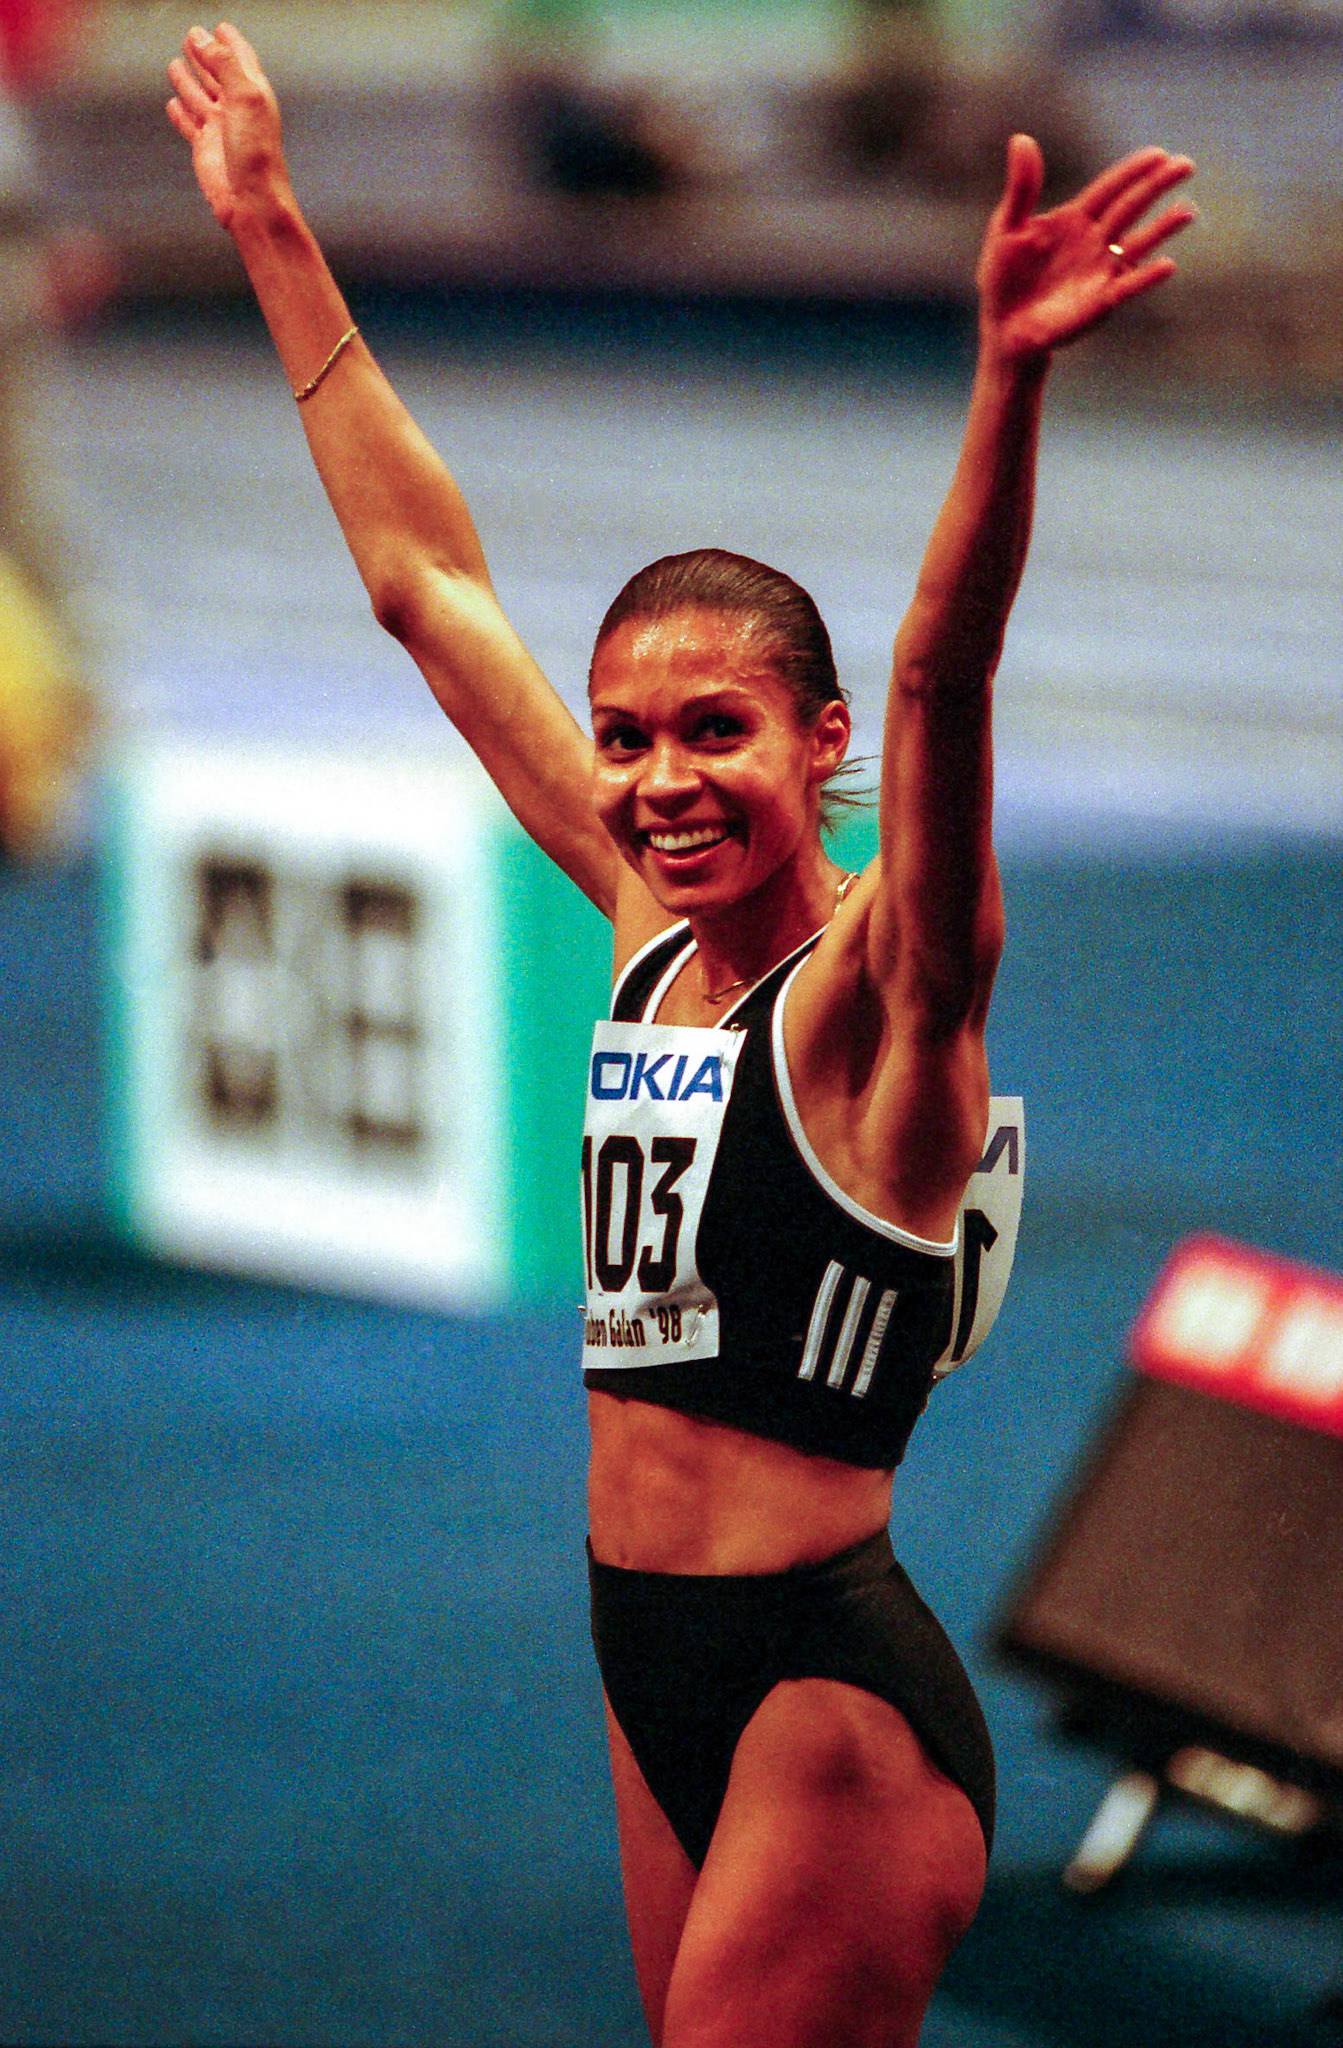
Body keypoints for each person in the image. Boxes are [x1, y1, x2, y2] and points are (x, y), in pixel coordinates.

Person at [165, 26, 1194, 2045]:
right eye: (624, 734)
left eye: (711, 729)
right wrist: (277, 229)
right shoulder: (652, 940)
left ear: (820, 753)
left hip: (826, 1691)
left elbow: (943, 667)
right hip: (648, 1645)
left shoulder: (889, 1002)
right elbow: (427, 587)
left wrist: (1005, 380)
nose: (649, 781)